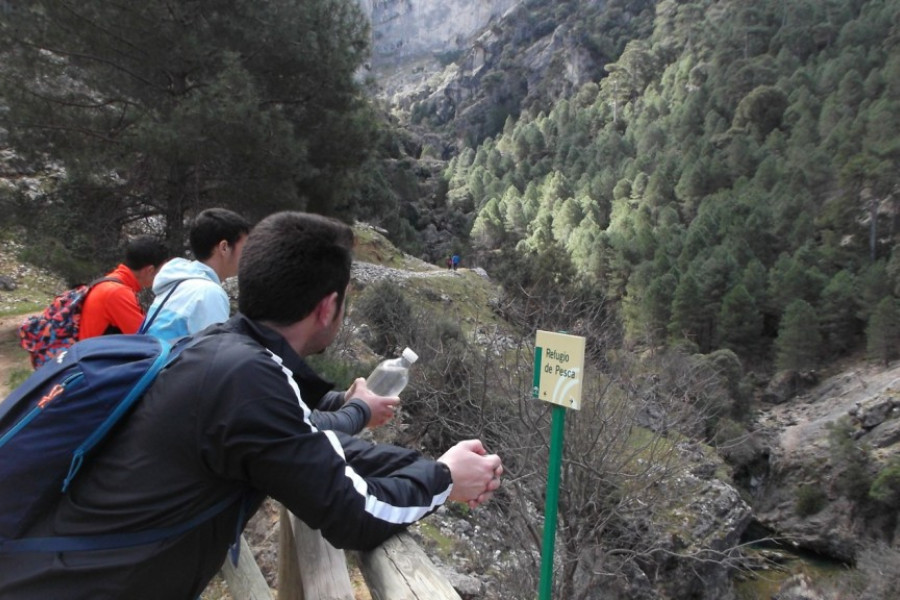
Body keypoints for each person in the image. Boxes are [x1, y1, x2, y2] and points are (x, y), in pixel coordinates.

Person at [0, 211, 503, 599]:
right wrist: (441, 480)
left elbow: (310, 444)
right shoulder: (245, 380)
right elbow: (352, 512)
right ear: (328, 306)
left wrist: (424, 465)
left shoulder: (225, 349)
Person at [142, 207, 392, 434]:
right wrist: (360, 410)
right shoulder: (210, 298)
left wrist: (337, 401)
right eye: (245, 246)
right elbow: (293, 427)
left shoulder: (183, 287)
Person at [141, 207, 250, 341]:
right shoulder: (208, 293)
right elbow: (215, 354)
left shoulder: (179, 282)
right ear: (224, 247)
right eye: (245, 248)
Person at [77, 235, 169, 340]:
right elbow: (146, 340)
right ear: (150, 270)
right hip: (94, 355)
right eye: (162, 270)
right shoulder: (117, 293)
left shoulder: (108, 283)